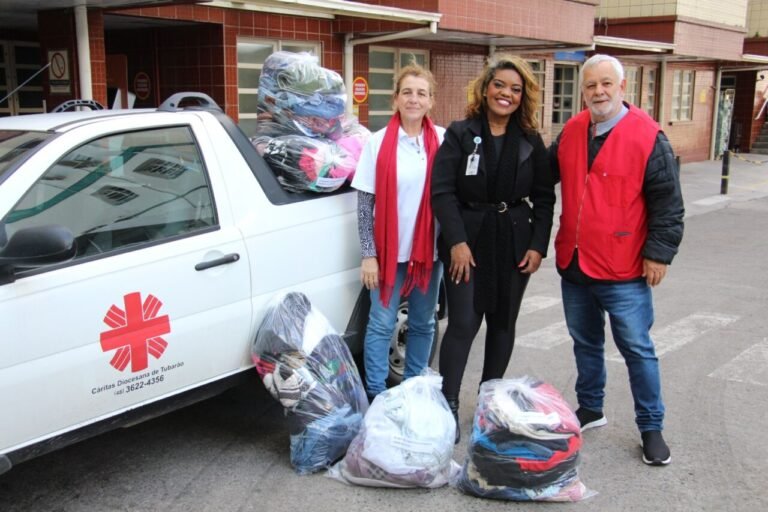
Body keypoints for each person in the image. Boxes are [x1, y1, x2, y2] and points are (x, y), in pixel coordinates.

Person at [549, 54, 684, 466]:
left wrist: (659, 254)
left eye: (606, 84)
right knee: (585, 342)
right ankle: (591, 407)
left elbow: (668, 204)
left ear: (622, 87)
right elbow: (539, 175)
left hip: (624, 268)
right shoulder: (572, 131)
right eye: (591, 86)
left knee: (637, 349)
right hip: (575, 264)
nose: (599, 92)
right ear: (583, 91)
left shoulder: (648, 136)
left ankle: (651, 427)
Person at [431, 54, 556, 442]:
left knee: (503, 324)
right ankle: (448, 402)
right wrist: (457, 242)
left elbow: (545, 198)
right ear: (485, 90)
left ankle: (489, 402)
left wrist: (538, 245)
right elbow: (442, 191)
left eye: (515, 89)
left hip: (514, 239)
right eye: (500, 85)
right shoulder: (460, 133)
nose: (506, 94)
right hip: (467, 239)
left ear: (523, 97)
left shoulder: (531, 142)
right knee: (465, 323)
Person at [351, 63, 445, 401]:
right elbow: (365, 205)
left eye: (421, 93)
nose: (414, 99)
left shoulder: (444, 140)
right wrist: (368, 254)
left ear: (431, 100)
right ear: (396, 98)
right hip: (388, 254)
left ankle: (414, 390)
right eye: (407, 92)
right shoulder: (377, 144)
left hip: (429, 255)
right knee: (380, 323)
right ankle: (376, 394)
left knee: (423, 323)